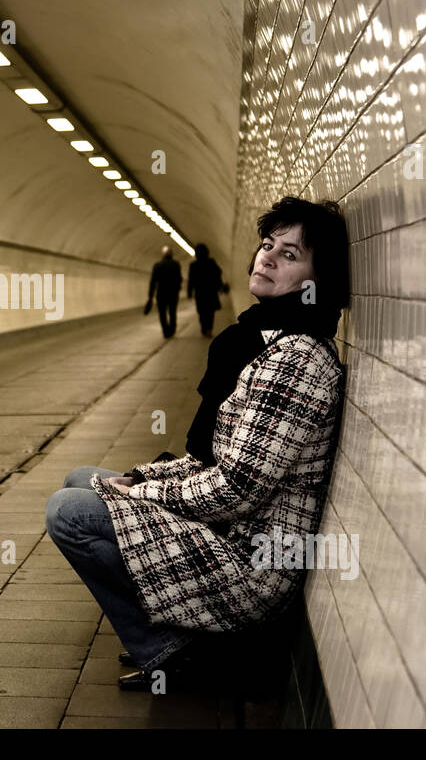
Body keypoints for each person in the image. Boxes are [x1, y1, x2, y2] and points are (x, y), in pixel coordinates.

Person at [46, 197, 350, 690]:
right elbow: (210, 462)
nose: (266, 258)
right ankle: (178, 635)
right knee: (83, 480)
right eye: (268, 245)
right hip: (232, 534)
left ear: (318, 280)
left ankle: (170, 651)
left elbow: (235, 490)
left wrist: (135, 494)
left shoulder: (295, 362)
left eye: (290, 255)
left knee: (69, 510)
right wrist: (140, 479)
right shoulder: (267, 341)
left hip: (253, 565)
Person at [186, 243, 228, 337]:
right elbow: (218, 274)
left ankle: (204, 328)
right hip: (210, 292)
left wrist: (189, 292)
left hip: (199, 292)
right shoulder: (211, 262)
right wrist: (220, 286)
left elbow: (191, 280)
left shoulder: (193, 265)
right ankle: (209, 328)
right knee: (210, 312)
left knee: (202, 311)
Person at [146, 246, 182, 339]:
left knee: (162, 313)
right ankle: (172, 329)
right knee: (172, 312)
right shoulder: (176, 264)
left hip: (161, 294)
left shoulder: (157, 265)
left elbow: (153, 282)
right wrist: (178, 289)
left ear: (163, 254)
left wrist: (150, 296)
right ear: (171, 254)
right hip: (173, 294)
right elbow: (179, 279)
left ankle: (166, 331)